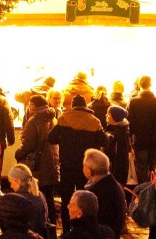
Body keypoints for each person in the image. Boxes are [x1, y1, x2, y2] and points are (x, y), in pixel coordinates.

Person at [49, 95, 105, 231]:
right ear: (85, 106)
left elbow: (51, 138)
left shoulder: (63, 118)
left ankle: (66, 229)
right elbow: (104, 141)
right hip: (86, 166)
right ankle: (82, 229)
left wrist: (64, 141)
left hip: (67, 164)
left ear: (73, 106)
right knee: (84, 198)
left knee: (66, 198)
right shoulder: (94, 121)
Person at [16, 94, 59, 222]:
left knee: (36, 194)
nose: (29, 107)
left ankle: (39, 222)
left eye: (30, 104)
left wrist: (18, 153)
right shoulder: (52, 118)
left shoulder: (34, 121)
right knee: (48, 195)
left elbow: (29, 143)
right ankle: (51, 223)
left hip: (37, 164)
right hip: (50, 160)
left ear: (35, 106)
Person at [127, 76, 156, 185]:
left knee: (141, 169)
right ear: (150, 85)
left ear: (139, 85)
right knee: (155, 169)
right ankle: (155, 192)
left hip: (140, 141)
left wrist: (130, 142)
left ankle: (144, 194)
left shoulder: (133, 101)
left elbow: (129, 123)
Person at [82, 149, 126, 237]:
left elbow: (100, 223)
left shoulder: (103, 191)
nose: (82, 168)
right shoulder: (108, 183)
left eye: (84, 166)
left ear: (89, 171)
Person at [6, 164, 50, 239]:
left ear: (18, 181)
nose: (11, 186)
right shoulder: (40, 194)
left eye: (11, 182)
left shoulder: (18, 199)